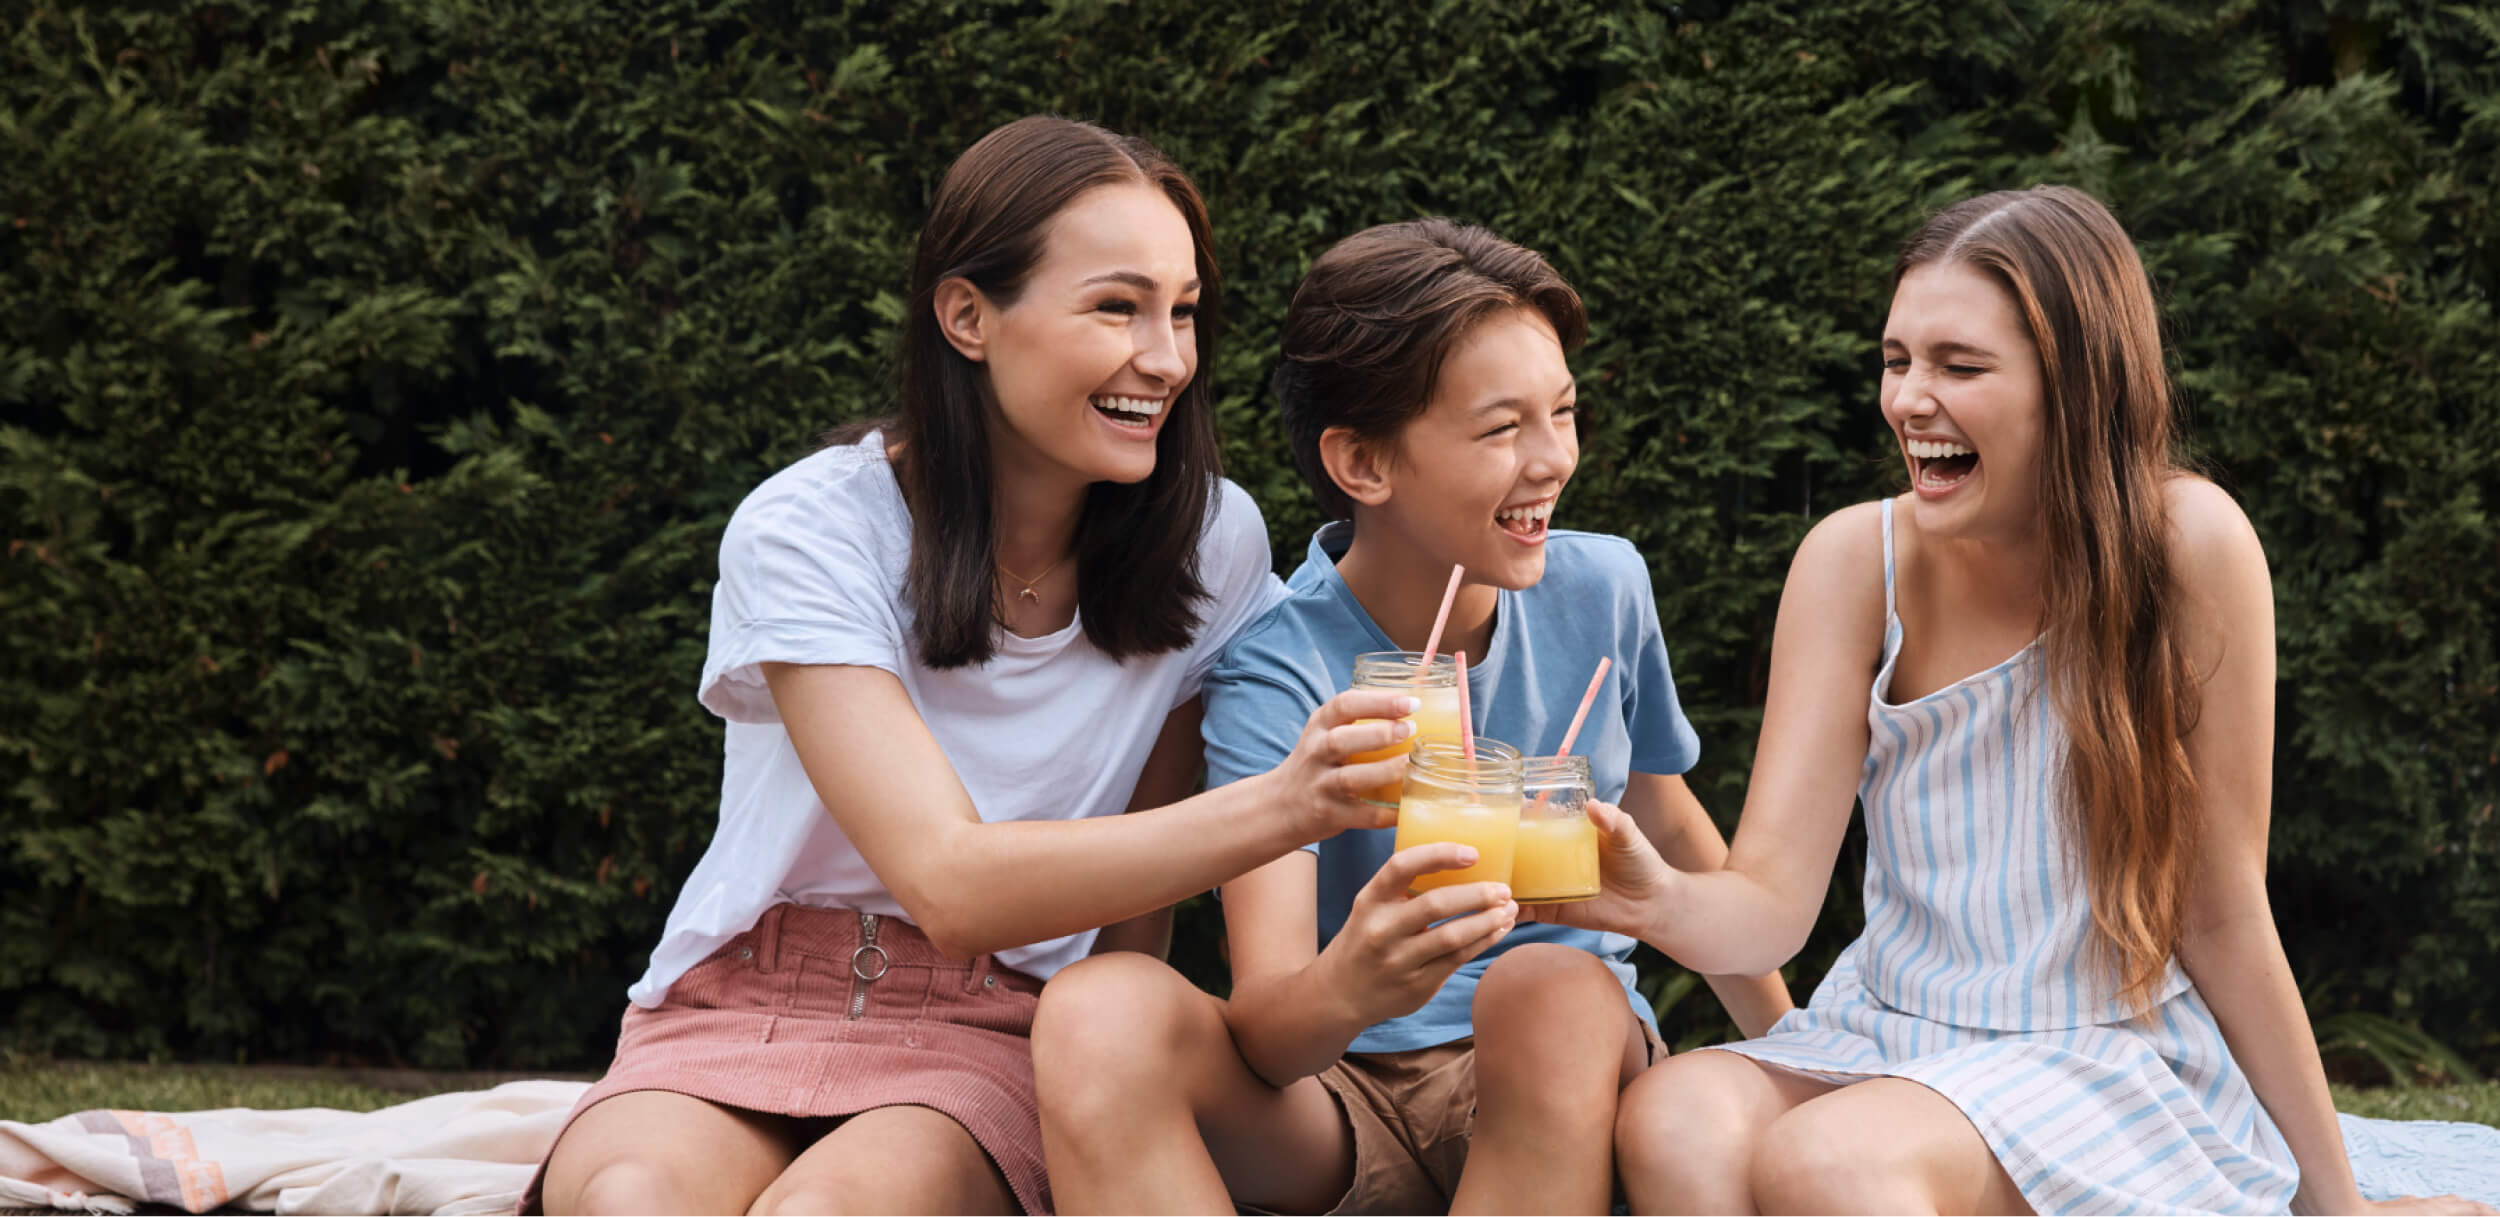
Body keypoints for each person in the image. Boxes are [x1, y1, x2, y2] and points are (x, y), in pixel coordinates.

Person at [528, 115, 1421, 1216]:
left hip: (994, 1022)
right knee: (631, 1199)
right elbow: (947, 879)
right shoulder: (812, 526)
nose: (1167, 357)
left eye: (1183, 311)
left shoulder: (1210, 542)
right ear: (966, 316)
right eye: (1116, 305)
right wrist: (1291, 803)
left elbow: (1132, 893)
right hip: (747, 990)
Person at [1550, 185, 2488, 1215]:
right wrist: (1657, 898)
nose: (1909, 399)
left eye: (1959, 366)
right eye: (1896, 359)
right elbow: (1770, 905)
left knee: (1830, 1162)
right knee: (1674, 1117)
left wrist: (2334, 1202)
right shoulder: (1853, 561)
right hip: (1890, 1023)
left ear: (2077, 387)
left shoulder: (2191, 546)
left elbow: (2221, 907)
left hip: (2096, 1046)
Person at [1032, 218, 1792, 1215]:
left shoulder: (1603, 587)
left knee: (1547, 988)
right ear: (1363, 463)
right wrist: (1356, 976)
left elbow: (1673, 826)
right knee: (1097, 1004)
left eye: (1562, 412)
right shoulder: (1281, 665)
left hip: (1561, 1079)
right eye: (1500, 428)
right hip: (1343, 1102)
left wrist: (1791, 1049)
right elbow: (1269, 1027)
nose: (1551, 458)